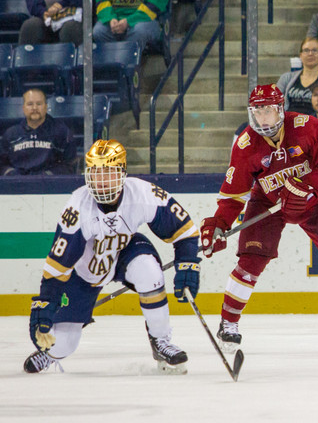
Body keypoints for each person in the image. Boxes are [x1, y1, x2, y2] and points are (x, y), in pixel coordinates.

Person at [201, 84, 318, 352]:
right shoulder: (245, 144)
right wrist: (219, 224)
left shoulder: (306, 126)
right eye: (257, 112)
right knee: (250, 261)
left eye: (268, 111)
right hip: (267, 202)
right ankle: (228, 324)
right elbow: (233, 196)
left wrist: (306, 189)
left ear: (280, 109)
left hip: (309, 198)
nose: (263, 118)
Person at [23, 139, 198, 373]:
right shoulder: (77, 208)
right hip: (85, 272)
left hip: (124, 251)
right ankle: (51, 354)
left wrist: (188, 263)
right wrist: (45, 303)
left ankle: (161, 340)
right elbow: (58, 265)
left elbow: (184, 230)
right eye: (96, 173)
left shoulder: (143, 193)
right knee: (63, 344)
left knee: (149, 270)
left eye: (108, 173)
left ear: (122, 172)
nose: (102, 180)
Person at [1, 89, 76, 176]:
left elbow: (69, 165)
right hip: (17, 183)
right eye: (30, 104)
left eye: (39, 104)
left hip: (51, 183)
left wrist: (48, 175)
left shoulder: (61, 132)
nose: (34, 108)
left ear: (46, 107)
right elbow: (2, 164)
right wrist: (11, 173)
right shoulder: (11, 134)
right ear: (23, 108)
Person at [276, 38, 318, 116]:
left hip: (315, 122)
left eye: (314, 50)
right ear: (301, 55)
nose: (310, 54)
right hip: (289, 121)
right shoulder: (286, 78)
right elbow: (274, 105)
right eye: (306, 50)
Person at [92, 0, 166, 51]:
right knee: (98, 31)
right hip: (114, 19)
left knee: (139, 31)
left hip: (145, 19)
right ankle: (111, 64)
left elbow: (154, 6)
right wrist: (110, 18)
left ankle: (131, 64)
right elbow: (101, 1)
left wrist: (129, 21)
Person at [19, 0, 84, 45]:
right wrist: (43, 13)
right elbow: (33, 4)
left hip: (73, 15)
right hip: (46, 16)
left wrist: (61, 4)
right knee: (30, 26)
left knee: (70, 28)